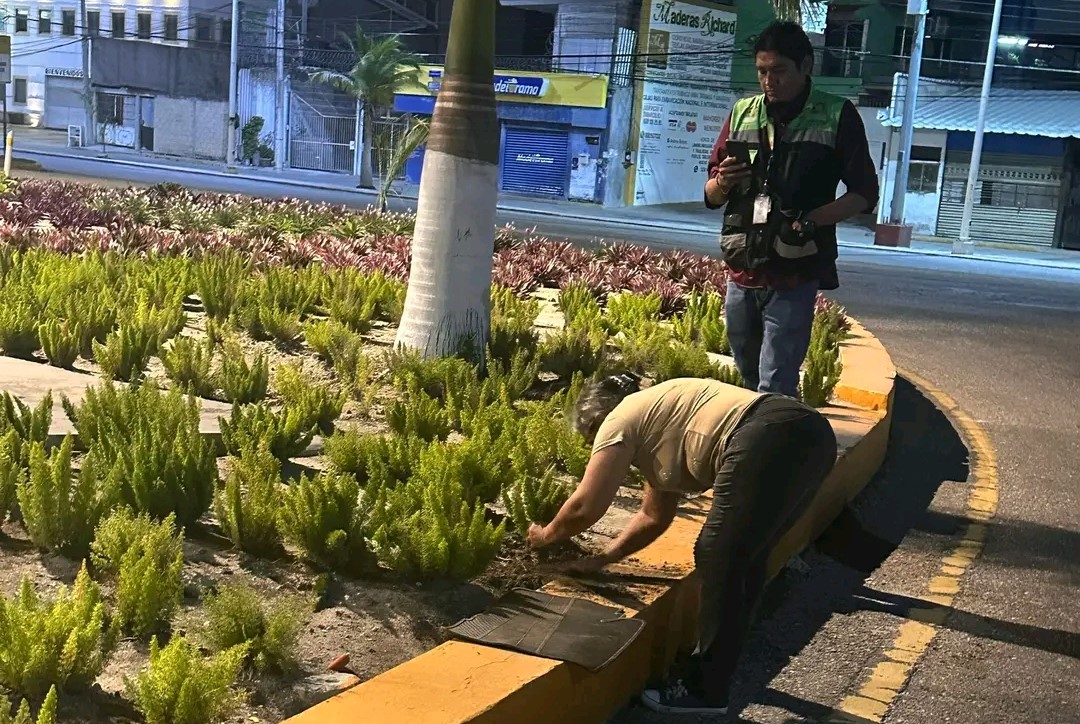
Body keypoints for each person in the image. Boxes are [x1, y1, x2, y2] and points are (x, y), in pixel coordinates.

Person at [527, 373, 838, 715]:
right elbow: (653, 516)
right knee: (744, 557)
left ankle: (705, 689)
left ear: (594, 423)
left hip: (766, 435)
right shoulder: (656, 420)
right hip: (813, 435)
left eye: (591, 443)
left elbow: (585, 506)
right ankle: (716, 667)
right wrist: (605, 557)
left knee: (717, 553)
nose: (595, 451)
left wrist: (546, 535)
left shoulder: (617, 421)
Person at [704, 21, 879, 398]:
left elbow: (865, 194)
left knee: (776, 378)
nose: (769, 81)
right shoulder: (742, 112)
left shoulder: (837, 114)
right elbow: (712, 195)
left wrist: (812, 220)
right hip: (742, 265)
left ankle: (774, 427)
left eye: (779, 70)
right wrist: (724, 182)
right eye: (762, 72)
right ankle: (777, 422)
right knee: (747, 370)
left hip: (796, 267)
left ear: (806, 66)